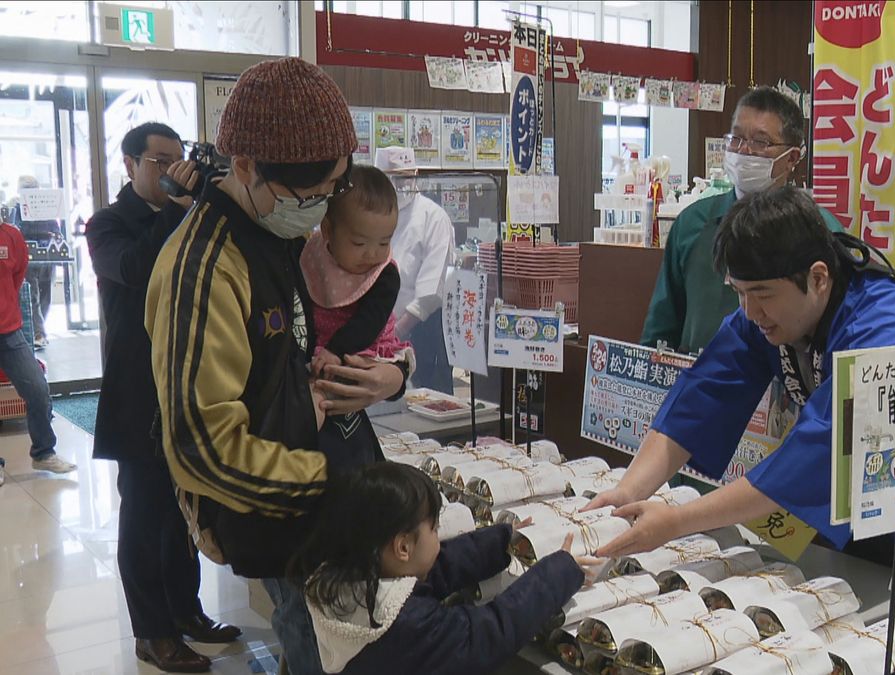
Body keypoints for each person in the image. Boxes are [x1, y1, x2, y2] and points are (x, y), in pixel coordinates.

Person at [590, 187, 895, 588]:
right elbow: (702, 395)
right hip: (865, 495)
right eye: (739, 292)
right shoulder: (771, 306)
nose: (749, 310)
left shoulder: (888, 332)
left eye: (761, 294)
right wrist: (628, 491)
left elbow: (810, 460)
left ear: (818, 278)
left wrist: (677, 521)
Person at [145, 57, 408, 675]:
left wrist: (393, 375)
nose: (320, 215)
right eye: (309, 198)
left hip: (305, 476)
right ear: (246, 168)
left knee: (331, 635)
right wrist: (331, 487)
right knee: (308, 636)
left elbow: (342, 323)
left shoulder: (278, 232)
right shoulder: (203, 270)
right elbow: (200, 445)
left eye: (330, 195)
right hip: (266, 500)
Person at [87, 122, 241, 673]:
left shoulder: (190, 211)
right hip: (137, 393)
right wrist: (180, 205)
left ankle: (186, 612)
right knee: (145, 516)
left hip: (190, 386)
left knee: (185, 511)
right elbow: (135, 269)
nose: (172, 168)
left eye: (179, 159)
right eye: (159, 160)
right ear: (129, 164)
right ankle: (152, 633)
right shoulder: (107, 224)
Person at [290, 462, 592, 675]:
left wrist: (503, 541)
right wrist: (559, 573)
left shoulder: (344, 581)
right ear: (403, 547)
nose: (438, 537)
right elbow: (489, 633)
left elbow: (435, 568)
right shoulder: (409, 624)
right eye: (434, 528)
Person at [641, 87, 842, 355]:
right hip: (701, 380)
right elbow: (660, 330)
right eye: (736, 139)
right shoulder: (692, 224)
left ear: (792, 158)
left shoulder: (821, 230)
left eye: (760, 142)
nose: (744, 151)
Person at [301, 163, 415, 474]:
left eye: (384, 242)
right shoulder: (311, 255)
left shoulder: (383, 275)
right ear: (327, 231)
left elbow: (370, 321)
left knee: (324, 397)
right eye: (359, 244)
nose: (373, 255)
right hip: (320, 351)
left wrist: (336, 349)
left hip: (362, 346)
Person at [375, 147, 455, 394]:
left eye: (407, 177)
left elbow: (431, 290)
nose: (401, 184)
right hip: (374, 330)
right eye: (393, 178)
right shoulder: (372, 215)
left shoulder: (433, 217)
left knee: (424, 401)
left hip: (420, 329)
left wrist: (396, 331)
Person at [0, 219, 75, 482]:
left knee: (37, 390)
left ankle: (43, 453)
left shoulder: (11, 236)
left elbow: (18, 275)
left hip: (10, 332)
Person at [12, 175, 58, 349]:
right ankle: (38, 333)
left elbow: (55, 228)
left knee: (42, 297)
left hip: (46, 256)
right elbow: (16, 231)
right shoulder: (18, 208)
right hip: (30, 258)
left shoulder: (46, 206)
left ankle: (39, 330)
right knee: (35, 297)